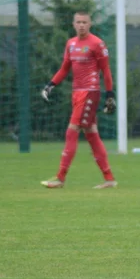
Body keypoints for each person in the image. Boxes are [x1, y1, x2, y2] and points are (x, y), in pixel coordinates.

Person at [40, 11, 118, 189]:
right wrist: (50, 85)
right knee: (91, 134)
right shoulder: (71, 44)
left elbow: (106, 71)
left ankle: (60, 178)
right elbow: (64, 69)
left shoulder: (97, 44)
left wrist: (110, 94)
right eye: (78, 22)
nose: (81, 25)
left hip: (90, 92)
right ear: (73, 24)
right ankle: (109, 179)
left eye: (84, 22)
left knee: (72, 130)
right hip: (76, 93)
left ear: (90, 24)